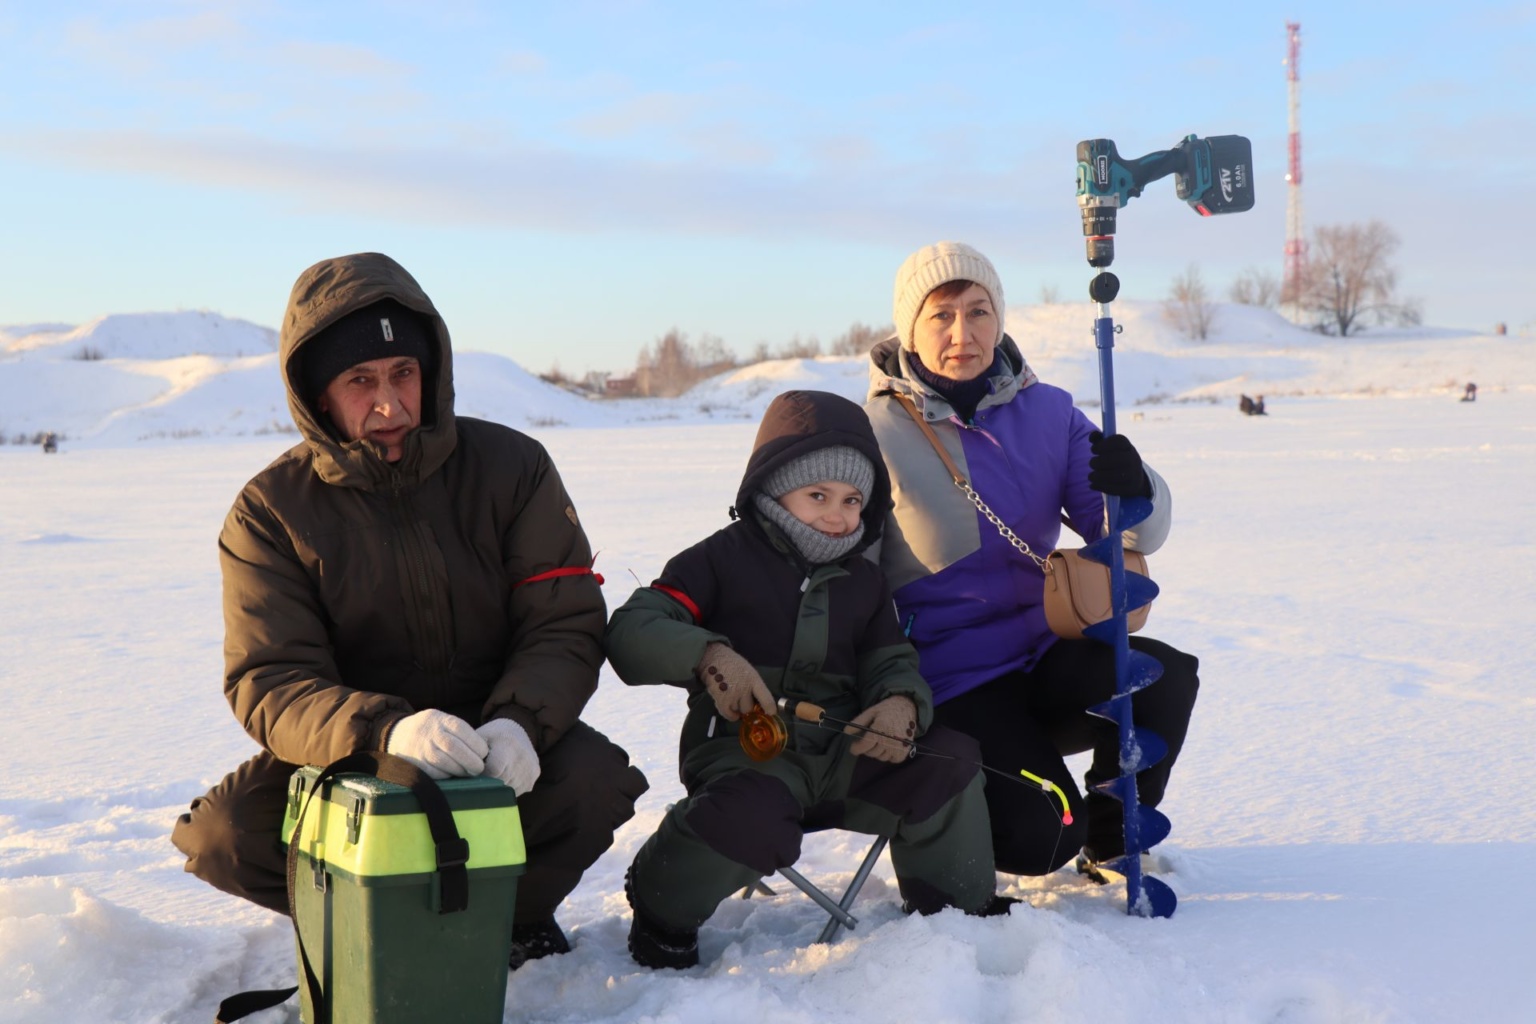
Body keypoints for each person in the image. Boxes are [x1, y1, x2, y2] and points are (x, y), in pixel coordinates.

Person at [170, 252, 648, 968]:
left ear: (433, 374)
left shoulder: (514, 469)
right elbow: (269, 678)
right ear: (319, 396)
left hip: (493, 740)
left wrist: (521, 722)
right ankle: (375, 921)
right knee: (226, 835)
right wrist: (384, 731)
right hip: (356, 760)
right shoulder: (271, 512)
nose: (388, 404)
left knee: (593, 781)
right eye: (360, 381)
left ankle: (506, 915)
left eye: (403, 375)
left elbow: (564, 618)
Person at [604, 390, 1011, 970]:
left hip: (846, 757)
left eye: (851, 499)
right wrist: (707, 655)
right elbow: (632, 629)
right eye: (817, 494)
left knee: (946, 761)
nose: (837, 514)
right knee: (747, 819)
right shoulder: (717, 560)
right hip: (748, 757)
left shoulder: (864, 582)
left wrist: (900, 703)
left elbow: (892, 660)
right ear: (773, 487)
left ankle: (956, 913)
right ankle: (660, 901)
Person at [864, 242, 1200, 879]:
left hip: (1046, 652)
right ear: (909, 328)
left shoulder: (1049, 412)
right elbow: (850, 581)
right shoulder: (873, 433)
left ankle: (1114, 839)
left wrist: (1135, 485)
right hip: (952, 683)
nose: (963, 333)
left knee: (1165, 677)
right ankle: (968, 815)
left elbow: (1136, 534)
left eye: (979, 311)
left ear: (1000, 318)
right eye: (940, 316)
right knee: (1042, 839)